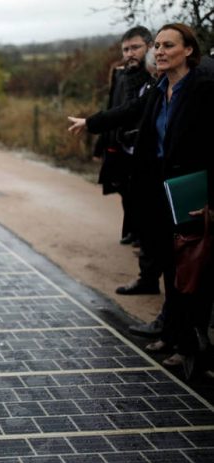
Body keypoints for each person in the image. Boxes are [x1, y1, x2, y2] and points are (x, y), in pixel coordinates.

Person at [73, 24, 213, 377]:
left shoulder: (202, 89)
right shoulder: (159, 88)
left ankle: (192, 348)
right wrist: (91, 122)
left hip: (192, 192)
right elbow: (129, 111)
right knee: (169, 263)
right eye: (159, 46)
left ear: (189, 51)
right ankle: (174, 334)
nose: (161, 51)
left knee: (193, 271)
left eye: (169, 46)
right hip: (160, 191)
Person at [94, 26, 155, 255]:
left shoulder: (155, 76)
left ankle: (143, 236)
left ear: (149, 47)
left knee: (142, 193)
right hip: (121, 143)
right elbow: (114, 108)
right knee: (124, 188)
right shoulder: (122, 76)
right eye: (126, 49)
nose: (130, 54)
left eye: (135, 48)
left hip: (145, 148)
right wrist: (101, 143)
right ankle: (133, 230)